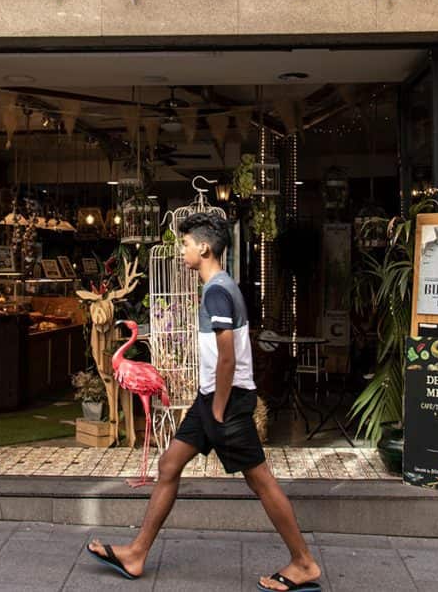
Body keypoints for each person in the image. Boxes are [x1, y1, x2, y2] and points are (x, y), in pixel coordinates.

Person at [87, 213, 322, 592]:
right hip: (210, 399)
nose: (181, 250)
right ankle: (136, 554)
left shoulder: (216, 290)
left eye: (185, 244)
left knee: (260, 481)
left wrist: (218, 407)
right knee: (169, 464)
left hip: (224, 402)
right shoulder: (221, 286)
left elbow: (228, 356)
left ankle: (304, 562)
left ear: (204, 247)